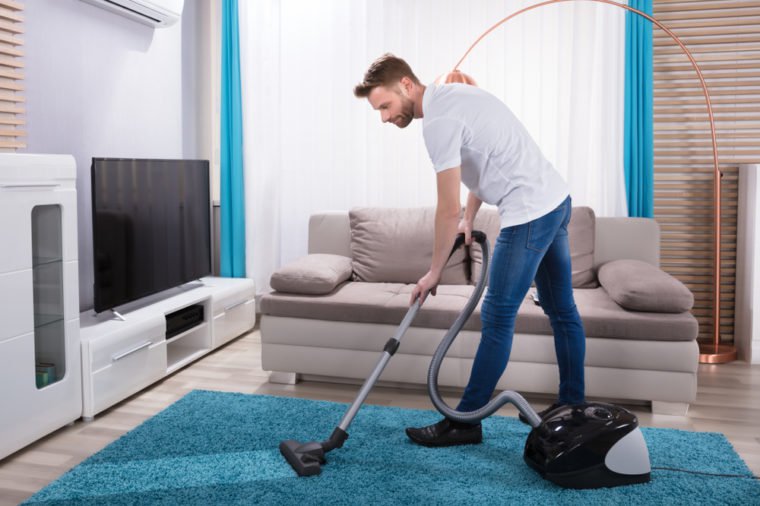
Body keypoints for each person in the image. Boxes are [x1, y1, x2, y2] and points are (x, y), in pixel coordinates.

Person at [353, 53, 587, 447]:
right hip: (555, 200)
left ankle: (465, 422)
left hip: (529, 211)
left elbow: (445, 208)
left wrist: (432, 273)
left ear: (406, 85)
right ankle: (573, 407)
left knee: (497, 315)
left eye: (385, 106)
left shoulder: (438, 122)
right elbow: (483, 162)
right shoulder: (455, 97)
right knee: (562, 309)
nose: (384, 117)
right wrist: (468, 217)